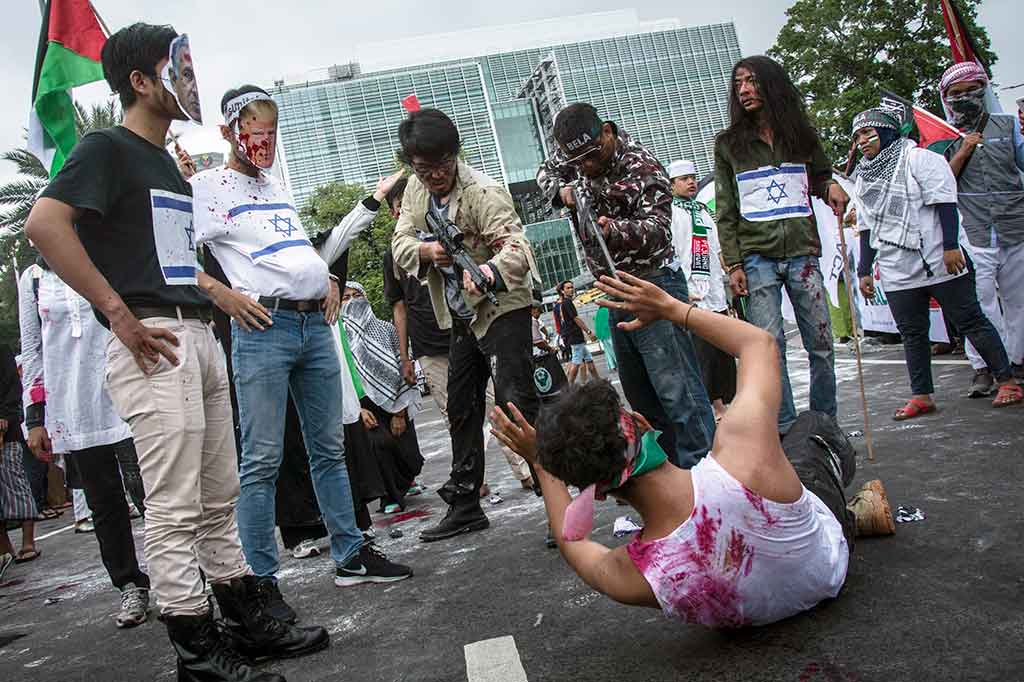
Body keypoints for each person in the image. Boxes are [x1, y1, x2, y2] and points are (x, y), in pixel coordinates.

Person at [25, 23, 328, 682]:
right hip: (153, 343)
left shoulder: (165, 161)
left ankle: (244, 620)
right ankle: (197, 653)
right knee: (174, 505)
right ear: (140, 80)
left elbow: (175, 259)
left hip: (198, 337)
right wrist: (117, 314)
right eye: (179, 70)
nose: (192, 83)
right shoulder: (106, 147)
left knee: (218, 496)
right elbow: (44, 224)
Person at [490, 271, 895, 628]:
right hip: (827, 564)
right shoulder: (742, 451)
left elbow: (573, 543)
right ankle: (849, 512)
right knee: (810, 429)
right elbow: (760, 346)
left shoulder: (639, 571)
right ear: (643, 424)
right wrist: (671, 308)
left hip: (759, 614)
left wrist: (542, 463)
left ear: (599, 491)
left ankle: (850, 512)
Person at [189, 84, 413, 613]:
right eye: (253, 133)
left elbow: (300, 252)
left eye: (271, 132)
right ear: (228, 133)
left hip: (314, 326)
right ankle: (259, 582)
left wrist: (324, 278)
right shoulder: (206, 187)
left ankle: (351, 553)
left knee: (330, 448)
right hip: (263, 328)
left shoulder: (276, 184)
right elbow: (173, 260)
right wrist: (225, 296)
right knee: (262, 459)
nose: (263, 143)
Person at [391, 108, 541, 541]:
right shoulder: (417, 192)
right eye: (423, 168)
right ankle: (466, 504)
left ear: (455, 154)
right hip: (460, 315)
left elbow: (518, 249)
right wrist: (429, 252)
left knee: (516, 405)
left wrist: (489, 271)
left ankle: (556, 498)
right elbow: (400, 241)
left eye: (442, 165)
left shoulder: (483, 192)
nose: (435, 176)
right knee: (460, 408)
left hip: (502, 307)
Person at [537, 102, 715, 468]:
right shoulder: (574, 157)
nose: (586, 166)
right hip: (614, 292)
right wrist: (563, 193)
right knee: (641, 396)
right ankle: (673, 476)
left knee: (677, 390)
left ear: (608, 131)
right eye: (577, 161)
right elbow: (545, 175)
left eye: (591, 155)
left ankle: (706, 473)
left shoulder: (642, 166)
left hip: (653, 284)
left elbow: (660, 229)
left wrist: (614, 230)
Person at [849, 108, 1021, 415]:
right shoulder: (862, 177)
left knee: (971, 321)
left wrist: (951, 246)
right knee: (913, 334)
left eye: (867, 132)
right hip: (897, 269)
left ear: (887, 132)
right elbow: (865, 226)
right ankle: (922, 395)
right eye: (857, 135)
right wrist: (864, 270)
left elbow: (945, 200)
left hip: (941, 259)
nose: (861, 141)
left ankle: (1007, 379)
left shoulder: (920, 159)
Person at [714, 55, 849, 434]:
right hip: (757, 259)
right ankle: (787, 428)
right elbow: (726, 208)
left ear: (772, 85)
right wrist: (734, 264)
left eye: (752, 81)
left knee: (821, 342)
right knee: (769, 348)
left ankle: (825, 425)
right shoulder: (728, 146)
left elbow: (821, 176)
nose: (744, 90)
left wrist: (829, 187)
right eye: (738, 83)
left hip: (803, 252)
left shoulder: (802, 135)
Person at [18, 258, 151, 627]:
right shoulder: (33, 279)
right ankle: (130, 585)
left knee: (149, 492)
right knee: (104, 503)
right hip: (74, 405)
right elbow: (32, 349)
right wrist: (35, 417)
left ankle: (181, 579)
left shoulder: (102, 254)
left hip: (123, 390)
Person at [382, 183, 533, 495]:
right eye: (395, 207)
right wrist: (405, 356)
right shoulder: (398, 250)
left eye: (403, 204)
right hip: (438, 338)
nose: (400, 211)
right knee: (459, 415)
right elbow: (399, 305)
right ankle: (469, 491)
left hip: (478, 320)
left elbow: (513, 248)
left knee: (508, 407)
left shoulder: (466, 206)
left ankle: (535, 477)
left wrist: (486, 272)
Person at [938, 62, 1024, 396]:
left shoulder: (1008, 125)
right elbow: (942, 182)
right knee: (979, 304)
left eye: (971, 90)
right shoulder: (944, 136)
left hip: (1015, 225)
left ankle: (1017, 363)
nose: (965, 98)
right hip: (974, 232)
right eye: (956, 94)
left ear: (984, 90)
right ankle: (984, 367)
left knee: (1018, 302)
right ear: (946, 98)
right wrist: (964, 150)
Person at [342, 281, 425, 515]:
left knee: (407, 455)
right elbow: (338, 377)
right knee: (379, 446)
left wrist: (399, 411)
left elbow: (402, 364)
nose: (352, 302)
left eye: (357, 295)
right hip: (361, 404)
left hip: (395, 399)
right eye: (345, 298)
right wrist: (356, 409)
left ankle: (405, 481)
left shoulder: (386, 329)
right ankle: (390, 496)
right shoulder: (337, 339)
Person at [668, 159, 737, 421]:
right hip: (693, 293)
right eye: (684, 179)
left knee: (723, 349)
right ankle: (714, 405)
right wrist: (682, 289)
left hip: (717, 290)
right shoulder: (671, 213)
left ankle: (728, 399)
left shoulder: (703, 211)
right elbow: (673, 253)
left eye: (693, 177)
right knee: (704, 352)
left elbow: (718, 248)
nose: (691, 182)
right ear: (672, 185)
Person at [0, 343, 39, 582]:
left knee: (15, 483)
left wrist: (4, 415)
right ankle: (5, 549)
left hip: (7, 430)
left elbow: (12, 386)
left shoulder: (2, 352)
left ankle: (28, 542)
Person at [554, 280, 598, 384]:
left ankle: (598, 381)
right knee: (576, 362)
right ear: (562, 291)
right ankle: (569, 387)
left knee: (589, 360)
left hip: (571, 335)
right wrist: (588, 331)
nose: (571, 289)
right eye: (568, 288)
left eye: (572, 287)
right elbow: (576, 318)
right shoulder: (567, 302)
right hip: (574, 336)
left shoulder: (561, 304)